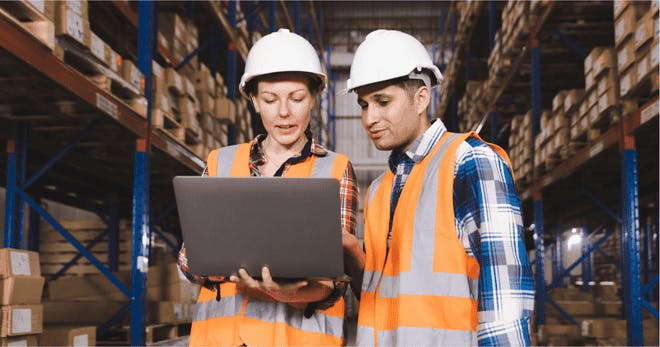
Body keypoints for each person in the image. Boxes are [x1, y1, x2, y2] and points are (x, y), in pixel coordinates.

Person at [341, 29, 535, 346]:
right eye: (364, 105)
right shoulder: (379, 190)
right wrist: (351, 254)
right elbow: (384, 298)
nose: (369, 118)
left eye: (383, 101)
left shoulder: (469, 163)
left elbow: (504, 302)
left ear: (422, 98)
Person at [177, 28, 359, 346]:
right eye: (270, 100)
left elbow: (336, 283)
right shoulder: (220, 162)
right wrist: (224, 265)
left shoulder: (336, 170)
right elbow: (189, 263)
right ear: (254, 101)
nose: (284, 112)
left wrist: (284, 290)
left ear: (314, 98)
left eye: (297, 98)